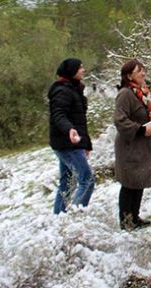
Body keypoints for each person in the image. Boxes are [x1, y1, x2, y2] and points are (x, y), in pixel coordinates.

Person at [114, 59, 151, 230]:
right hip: (130, 146)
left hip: (142, 146)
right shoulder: (125, 94)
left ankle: (135, 217)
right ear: (128, 75)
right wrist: (140, 130)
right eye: (139, 70)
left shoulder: (141, 93)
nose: (143, 73)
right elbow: (119, 119)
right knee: (129, 184)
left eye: (143, 69)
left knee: (138, 181)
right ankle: (126, 222)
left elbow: (144, 116)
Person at [48, 58, 95, 214]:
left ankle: (59, 217)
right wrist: (69, 129)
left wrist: (86, 144)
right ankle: (75, 219)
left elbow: (80, 121)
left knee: (67, 183)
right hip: (68, 143)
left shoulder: (74, 89)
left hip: (71, 142)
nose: (83, 70)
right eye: (80, 68)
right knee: (87, 180)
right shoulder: (62, 91)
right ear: (71, 71)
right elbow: (58, 114)